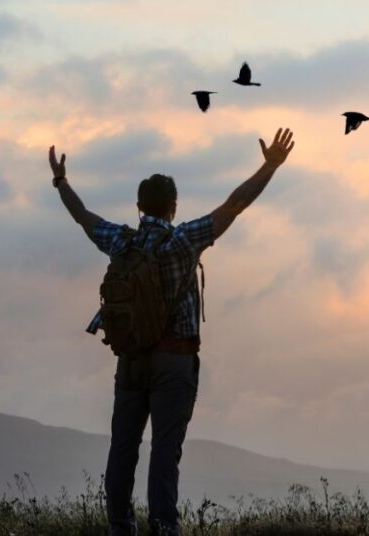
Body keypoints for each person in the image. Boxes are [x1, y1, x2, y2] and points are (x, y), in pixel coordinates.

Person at [49, 128, 296, 536]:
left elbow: (83, 218)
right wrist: (269, 165)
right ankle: (164, 530)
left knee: (122, 449)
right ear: (174, 207)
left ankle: (120, 529)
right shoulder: (184, 241)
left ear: (139, 206)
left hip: (129, 362)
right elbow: (234, 205)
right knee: (165, 452)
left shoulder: (121, 242)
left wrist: (61, 182)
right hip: (174, 362)